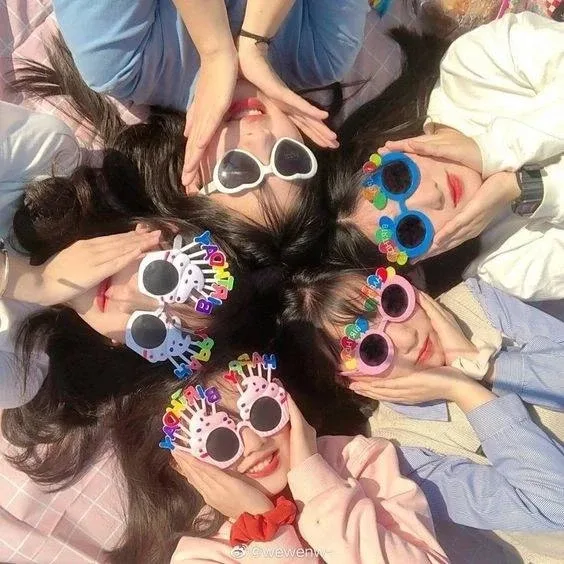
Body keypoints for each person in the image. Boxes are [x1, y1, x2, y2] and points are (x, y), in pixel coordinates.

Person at [277, 266, 564, 559]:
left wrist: (487, 367)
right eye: (373, 349)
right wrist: (464, 390)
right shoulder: (399, 454)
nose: (407, 337)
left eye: (394, 302)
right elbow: (554, 501)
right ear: (348, 381)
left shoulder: (476, 303)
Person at [330, 13, 564, 303]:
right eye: (411, 230)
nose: (432, 195)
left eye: (398, 178)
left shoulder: (468, 69)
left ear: (387, 148)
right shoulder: (508, 268)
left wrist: (489, 151)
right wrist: (531, 189)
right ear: (422, 256)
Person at [51, 0, 369, 209]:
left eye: (235, 170)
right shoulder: (323, 53)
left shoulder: (123, 65)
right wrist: (255, 41)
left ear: (193, 182)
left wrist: (216, 49)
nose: (258, 139)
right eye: (289, 159)